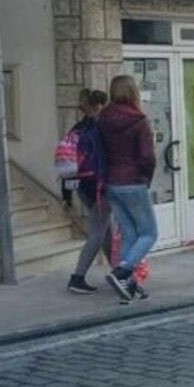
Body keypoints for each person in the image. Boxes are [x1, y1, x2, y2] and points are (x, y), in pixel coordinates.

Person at [98, 74, 158, 303]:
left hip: (112, 182)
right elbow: (147, 157)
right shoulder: (138, 120)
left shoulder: (103, 118)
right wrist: (146, 179)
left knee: (129, 234)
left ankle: (127, 285)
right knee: (149, 233)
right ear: (133, 92)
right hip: (133, 182)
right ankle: (122, 272)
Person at [67, 89, 113, 295]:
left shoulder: (76, 129)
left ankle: (119, 273)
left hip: (83, 186)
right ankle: (77, 277)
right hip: (99, 186)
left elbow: (66, 162)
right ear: (99, 106)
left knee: (105, 231)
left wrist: (67, 194)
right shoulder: (100, 129)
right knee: (98, 232)